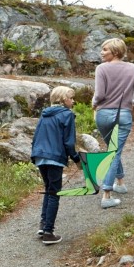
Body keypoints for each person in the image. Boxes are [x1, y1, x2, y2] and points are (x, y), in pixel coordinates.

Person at [92, 38, 134, 209]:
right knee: (114, 151)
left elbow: (99, 94)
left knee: (113, 150)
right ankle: (111, 190)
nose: (102, 52)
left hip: (103, 114)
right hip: (123, 115)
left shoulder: (101, 69)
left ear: (115, 51)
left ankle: (114, 187)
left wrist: (94, 104)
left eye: (105, 49)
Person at [31, 86, 81, 245]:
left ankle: (43, 224)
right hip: (54, 157)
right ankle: (48, 232)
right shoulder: (67, 115)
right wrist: (76, 159)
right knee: (54, 193)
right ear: (63, 100)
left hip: (40, 156)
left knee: (49, 189)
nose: (73, 101)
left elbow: (36, 135)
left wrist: (35, 154)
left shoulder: (45, 114)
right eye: (71, 98)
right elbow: (69, 142)